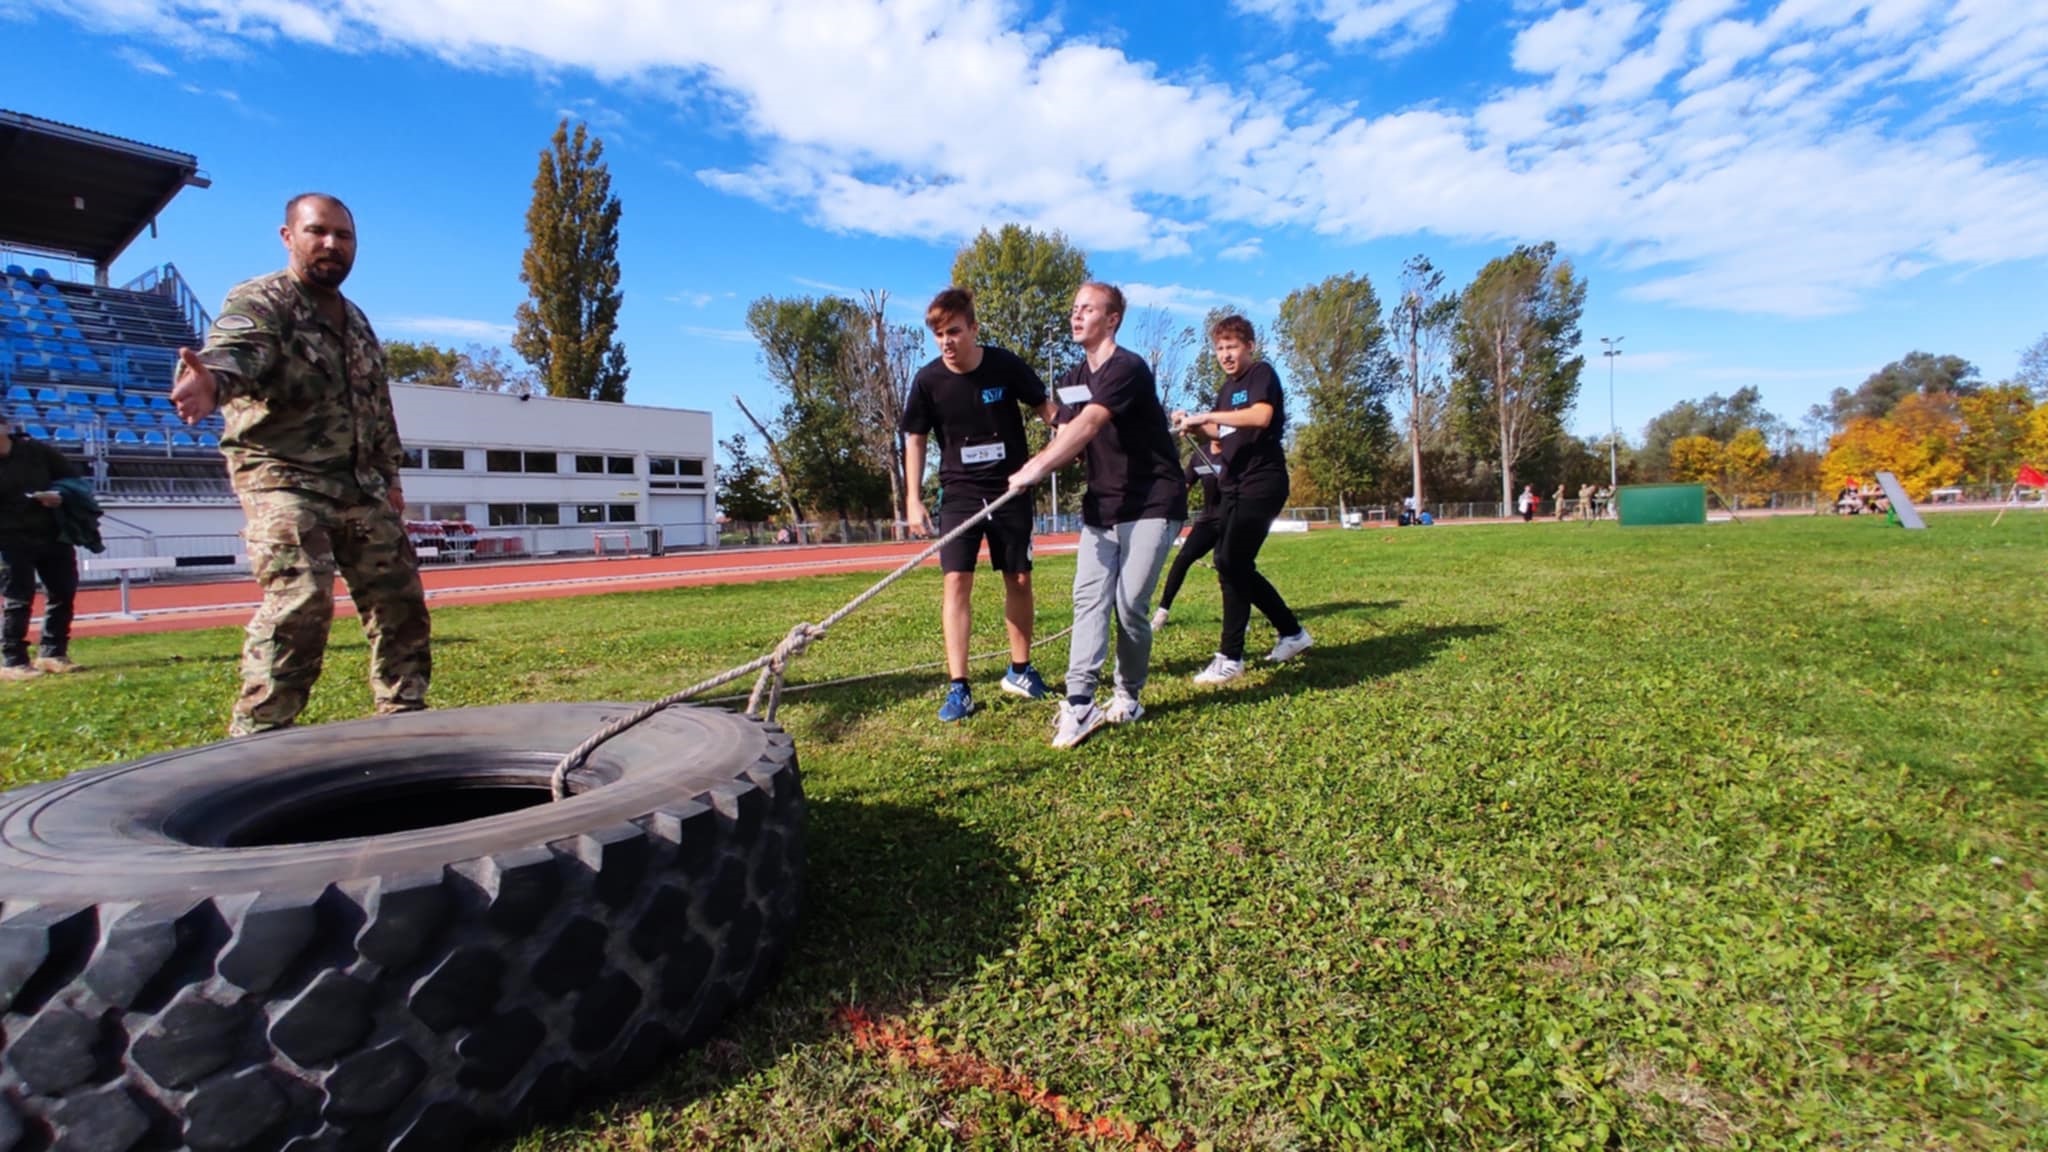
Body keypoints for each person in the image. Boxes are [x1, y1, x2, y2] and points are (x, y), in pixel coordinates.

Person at [171, 192, 431, 737]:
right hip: (283, 475)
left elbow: (376, 408)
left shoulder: (356, 323)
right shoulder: (265, 301)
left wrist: (392, 479)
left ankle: (404, 716)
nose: (332, 244)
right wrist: (211, 381)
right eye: (318, 232)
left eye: (344, 235)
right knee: (302, 596)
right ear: (289, 236)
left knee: (399, 596)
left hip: (358, 482)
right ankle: (260, 733)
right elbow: (238, 348)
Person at [1006, 282, 1186, 749]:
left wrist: (1034, 469)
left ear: (1113, 320)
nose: (1076, 315)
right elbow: (1067, 425)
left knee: (1128, 607)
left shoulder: (1127, 368)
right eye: (1074, 308)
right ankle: (1081, 703)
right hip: (1101, 507)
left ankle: (1128, 695)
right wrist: (1045, 449)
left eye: (1088, 309)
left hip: (1152, 502)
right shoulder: (1071, 376)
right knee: (1088, 600)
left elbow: (1089, 424)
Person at [899, 287, 1058, 721]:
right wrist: (913, 499)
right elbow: (914, 437)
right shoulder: (928, 381)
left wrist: (1074, 433)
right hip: (961, 494)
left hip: (1011, 489)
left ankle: (1020, 670)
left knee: (1019, 579)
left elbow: (1046, 408)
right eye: (937, 334)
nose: (946, 341)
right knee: (956, 583)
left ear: (973, 328)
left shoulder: (1005, 365)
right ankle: (959, 688)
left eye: (953, 331)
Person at [1171, 315, 1311, 686]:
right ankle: (1292, 633)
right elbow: (1220, 430)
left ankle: (1230, 657)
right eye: (1219, 348)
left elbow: (1261, 416)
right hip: (1232, 484)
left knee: (1230, 560)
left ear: (1249, 346)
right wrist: (1193, 422)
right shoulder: (1225, 389)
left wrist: (1209, 414)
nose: (1225, 355)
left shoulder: (1261, 374)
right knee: (1235, 563)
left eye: (1232, 346)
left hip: (1262, 482)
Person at [0, 416, 82, 679]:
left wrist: (60, 495)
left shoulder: (36, 452)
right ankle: (12, 660)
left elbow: (73, 481)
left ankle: (53, 653)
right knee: (18, 598)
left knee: (62, 592)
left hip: (52, 533)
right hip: (9, 537)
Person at [1151, 443, 1224, 629]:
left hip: (1232, 517)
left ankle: (1238, 616)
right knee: (1182, 559)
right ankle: (1162, 611)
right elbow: (1185, 485)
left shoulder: (1234, 450)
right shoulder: (1200, 454)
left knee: (1226, 565)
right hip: (1208, 520)